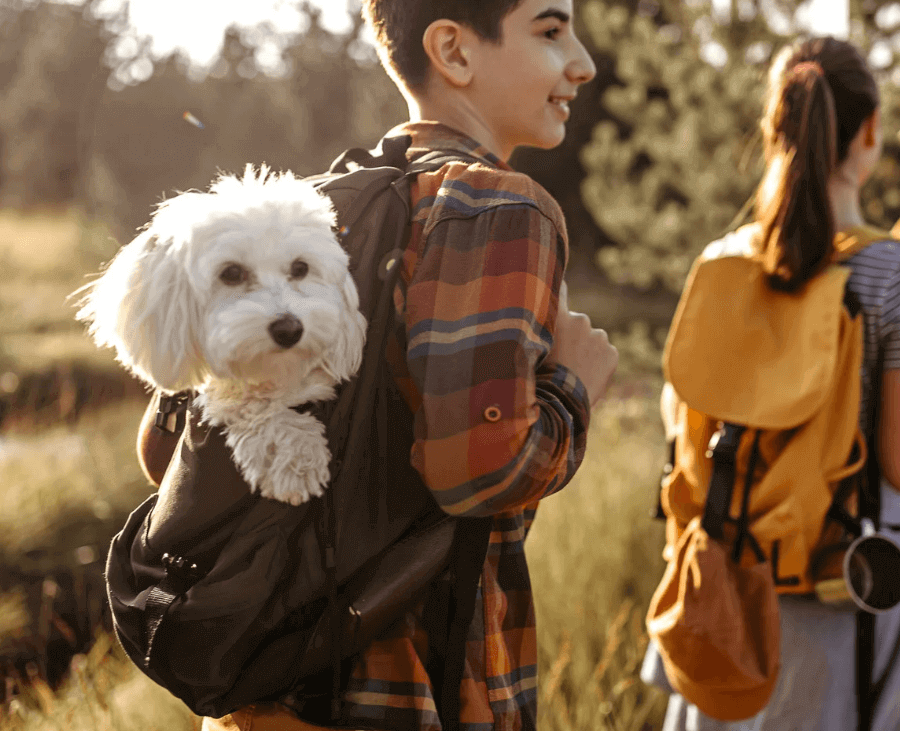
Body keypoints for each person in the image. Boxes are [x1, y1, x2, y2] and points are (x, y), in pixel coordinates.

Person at [137, 1, 618, 729]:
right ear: (454, 52)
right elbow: (478, 467)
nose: (582, 62)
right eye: (551, 32)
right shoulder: (503, 206)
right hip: (409, 687)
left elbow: (166, 445)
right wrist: (573, 385)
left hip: (265, 687)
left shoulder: (309, 207)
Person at [641, 35, 900, 731]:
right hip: (844, 613)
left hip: (717, 604)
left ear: (774, 126)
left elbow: (682, 428)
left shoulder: (720, 262)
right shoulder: (889, 278)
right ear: (869, 131)